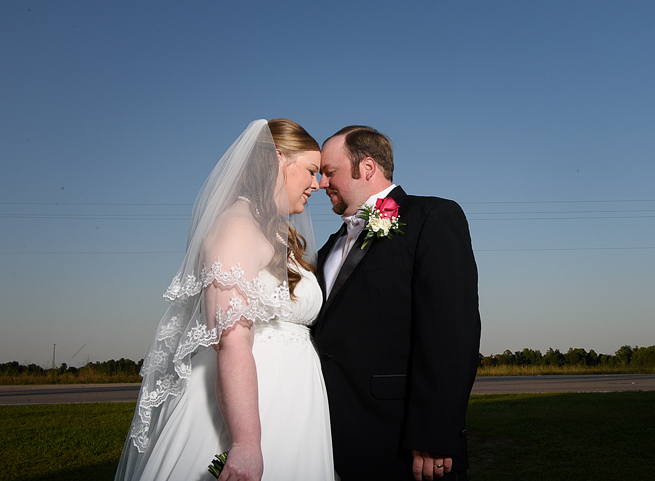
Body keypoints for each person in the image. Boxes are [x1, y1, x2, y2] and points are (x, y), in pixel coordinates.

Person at [115, 119, 334, 481]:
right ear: (279, 159)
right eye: (310, 170)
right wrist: (246, 443)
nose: (316, 184)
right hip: (254, 407)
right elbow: (231, 341)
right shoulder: (236, 225)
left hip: (293, 400)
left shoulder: (277, 232)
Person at [314, 126, 481, 481]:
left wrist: (435, 434)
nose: (320, 183)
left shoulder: (431, 218)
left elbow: (451, 331)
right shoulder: (329, 247)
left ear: (368, 167)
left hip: (403, 443)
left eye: (330, 172)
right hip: (328, 440)